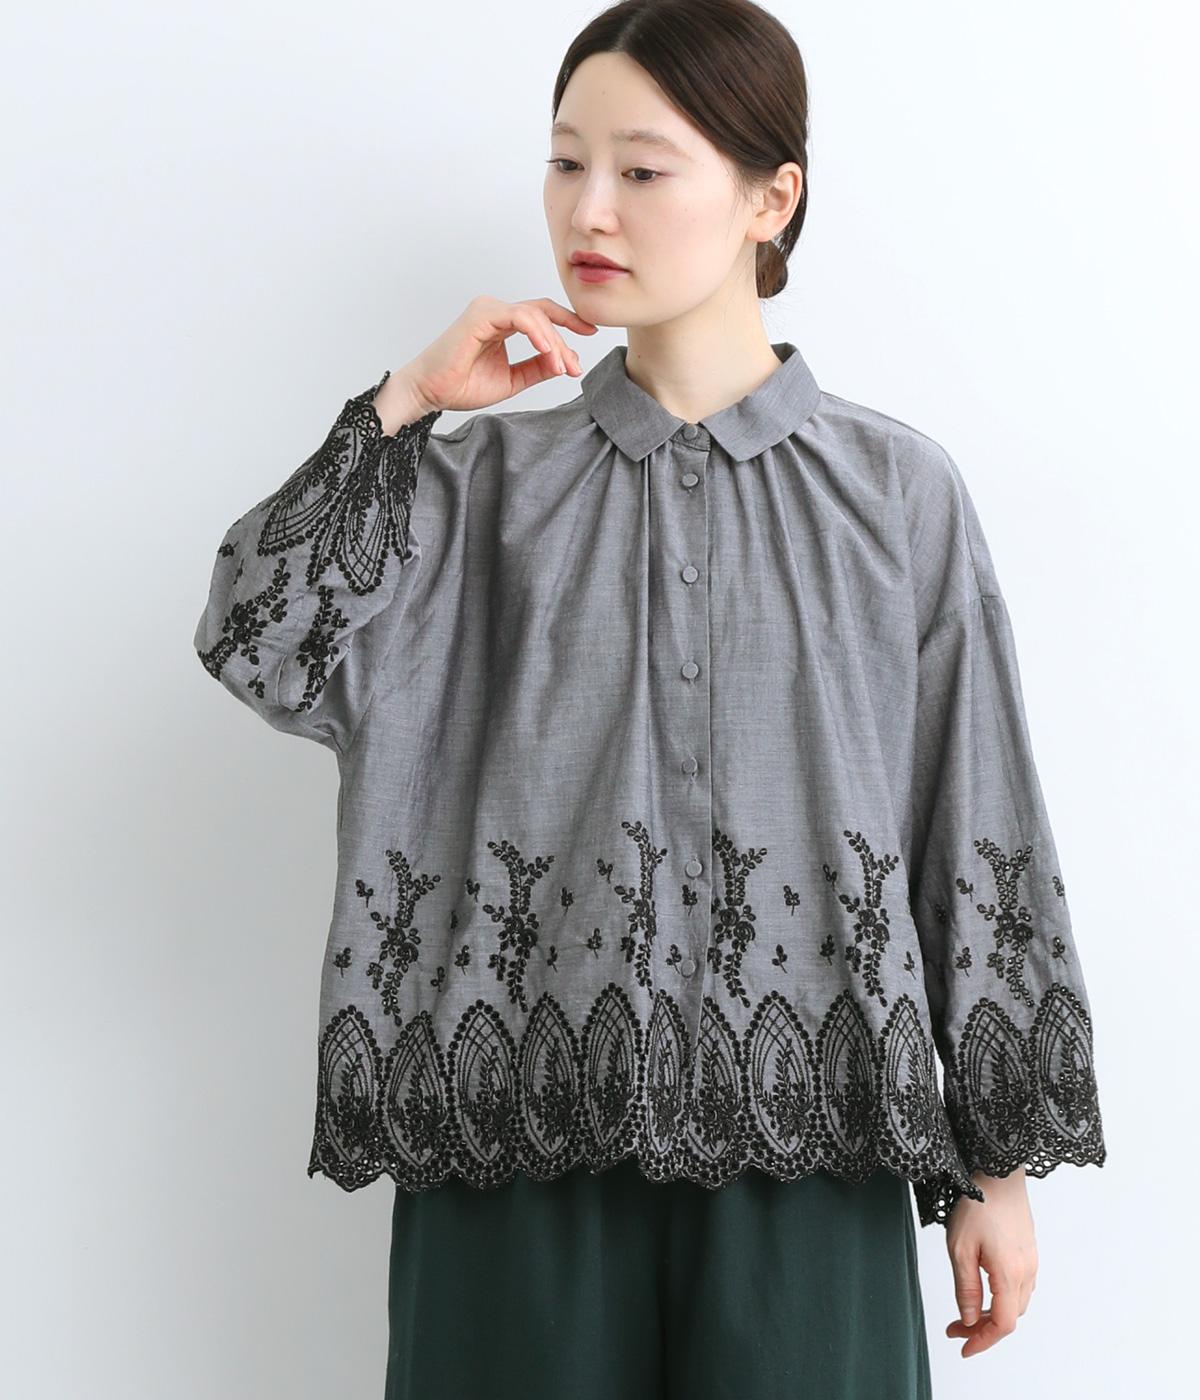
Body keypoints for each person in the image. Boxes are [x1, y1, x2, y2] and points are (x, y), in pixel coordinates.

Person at [194, 2, 1106, 1396]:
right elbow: (256, 641)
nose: (589, 209)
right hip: (510, 1148)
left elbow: (971, 808)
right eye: (566, 162)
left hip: (817, 1142)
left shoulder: (897, 496)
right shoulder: (471, 494)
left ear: (769, 198)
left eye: (640, 167)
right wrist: (404, 405)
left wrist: (995, 1168)